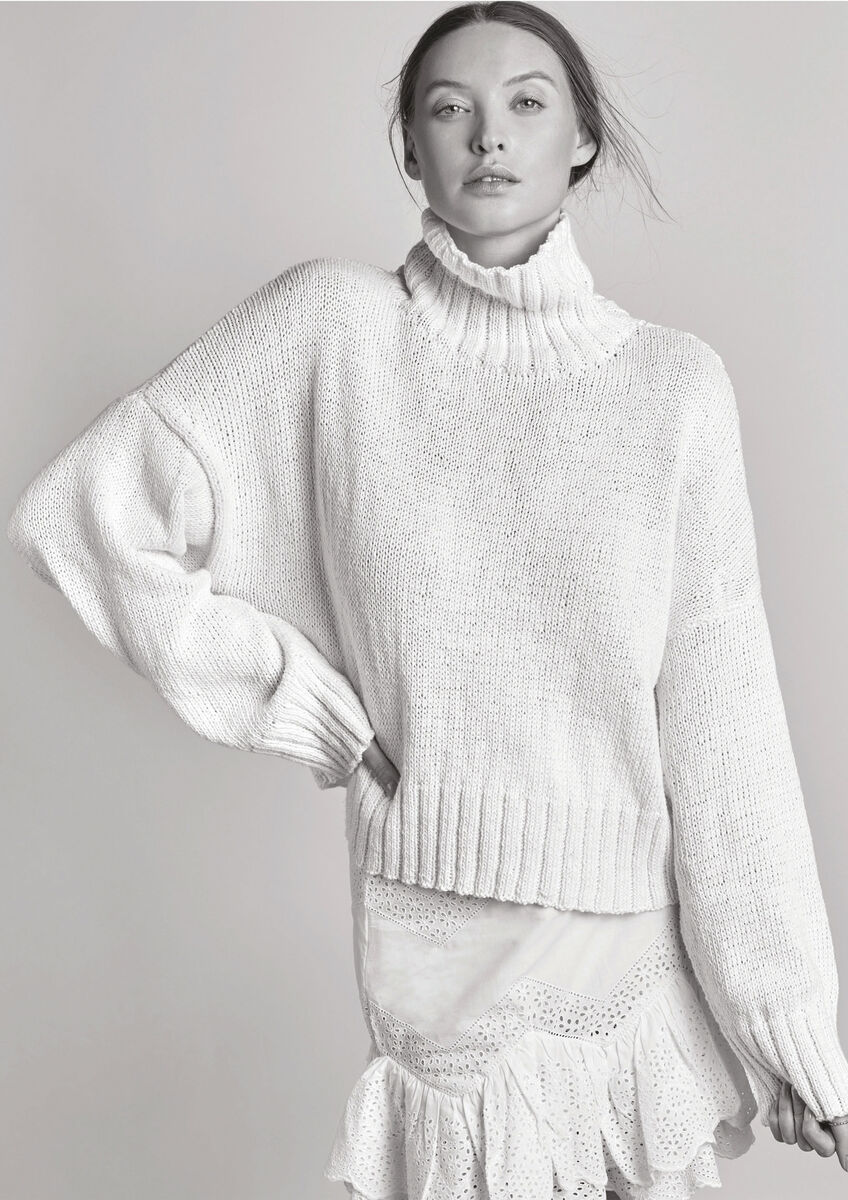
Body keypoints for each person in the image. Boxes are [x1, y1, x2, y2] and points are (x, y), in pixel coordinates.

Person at [7, 2, 848, 1197]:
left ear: (582, 139)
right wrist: (294, 700)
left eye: (525, 104)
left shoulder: (672, 389)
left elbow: (723, 723)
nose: (487, 136)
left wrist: (787, 1029)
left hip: (637, 955)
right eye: (449, 109)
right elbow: (86, 514)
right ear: (410, 147)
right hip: (440, 955)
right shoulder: (333, 332)